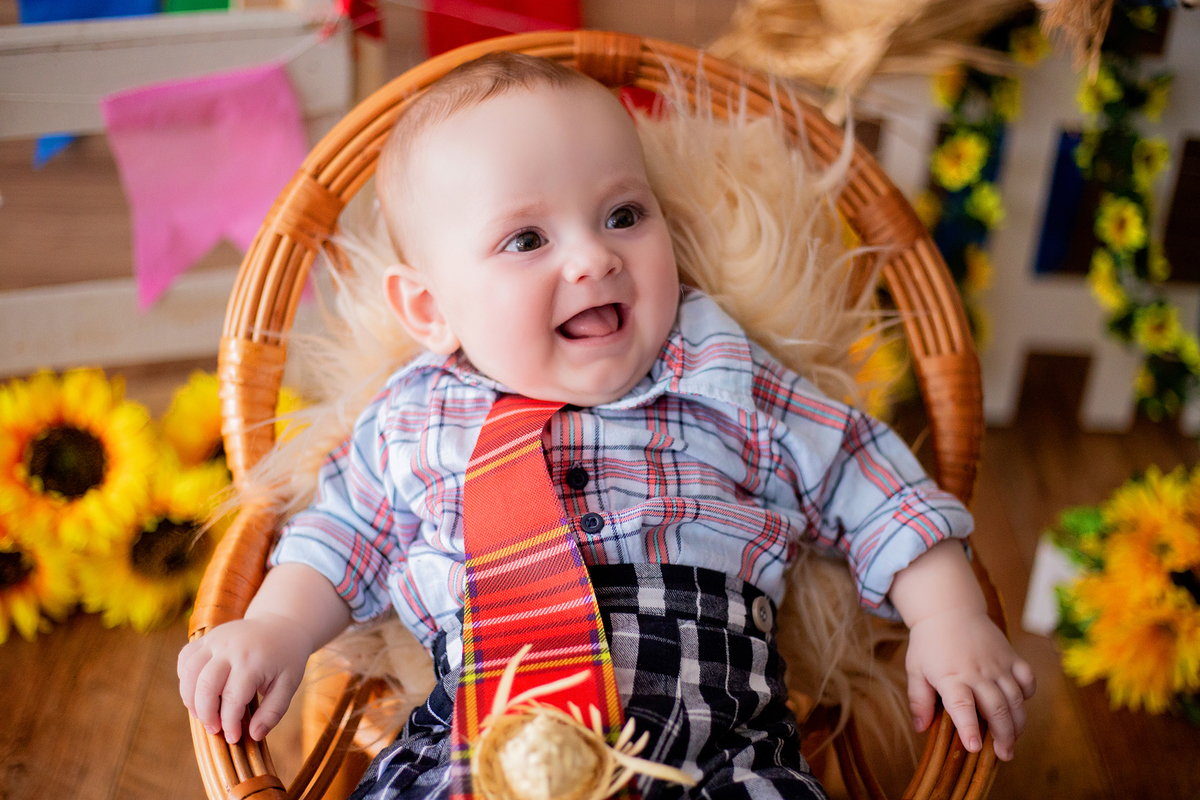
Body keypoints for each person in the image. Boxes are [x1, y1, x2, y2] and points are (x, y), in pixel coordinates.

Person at [178, 52, 1035, 800]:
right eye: (526, 240)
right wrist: (276, 629)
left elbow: (865, 476)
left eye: (624, 215)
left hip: (721, 750)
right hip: (479, 746)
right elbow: (338, 533)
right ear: (431, 309)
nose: (594, 257)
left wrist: (947, 616)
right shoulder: (415, 417)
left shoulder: (722, 372)